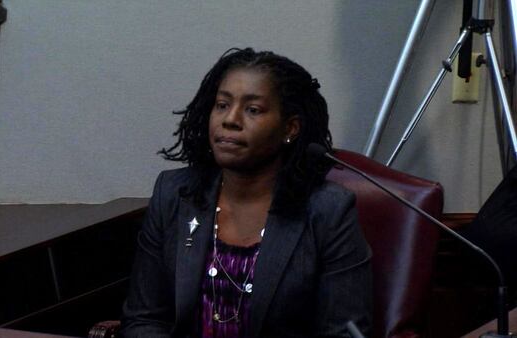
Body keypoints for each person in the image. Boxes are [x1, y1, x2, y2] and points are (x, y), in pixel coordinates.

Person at [120, 48, 372, 338]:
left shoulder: (328, 211)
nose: (230, 120)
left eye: (253, 110)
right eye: (222, 105)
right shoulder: (174, 193)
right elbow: (143, 319)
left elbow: (343, 333)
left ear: (290, 128)